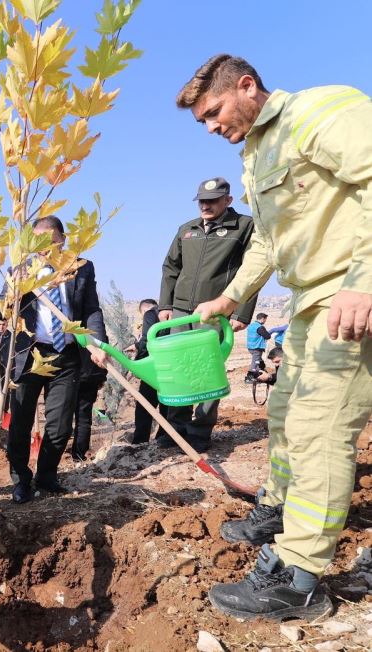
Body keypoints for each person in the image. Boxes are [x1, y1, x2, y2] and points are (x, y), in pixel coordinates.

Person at [178, 53, 372, 620]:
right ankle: (281, 511)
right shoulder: (255, 154)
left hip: (349, 298)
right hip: (312, 304)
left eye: (214, 112)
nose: (212, 127)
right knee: (287, 415)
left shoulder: (319, 111)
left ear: (246, 86)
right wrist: (230, 297)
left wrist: (364, 280)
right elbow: (265, 241)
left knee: (321, 429)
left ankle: (300, 576)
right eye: (203, 122)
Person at [0, 216, 108, 504]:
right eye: (38, 241)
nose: (43, 247)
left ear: (63, 239)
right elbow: (1, 311)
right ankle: (21, 481)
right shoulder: (21, 270)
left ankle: (46, 475)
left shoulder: (81, 269)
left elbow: (91, 309)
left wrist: (97, 343)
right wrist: (14, 291)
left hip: (66, 355)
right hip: (29, 354)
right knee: (20, 424)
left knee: (59, 427)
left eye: (50, 239)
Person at [157, 177, 256, 453]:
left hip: (215, 314)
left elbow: (251, 273)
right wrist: (165, 305)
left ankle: (200, 432)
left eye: (212, 200)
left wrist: (242, 312)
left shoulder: (244, 227)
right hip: (180, 312)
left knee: (206, 371)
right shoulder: (186, 229)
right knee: (178, 369)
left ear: (228, 200)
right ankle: (174, 429)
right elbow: (170, 268)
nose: (205, 205)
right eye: (202, 200)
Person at [126, 299, 168, 444]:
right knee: (166, 403)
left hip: (154, 367)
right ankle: (163, 437)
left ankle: (140, 441)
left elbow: (147, 340)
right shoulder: (171, 314)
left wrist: (139, 363)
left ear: (143, 310)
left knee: (145, 405)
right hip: (171, 365)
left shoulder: (150, 314)